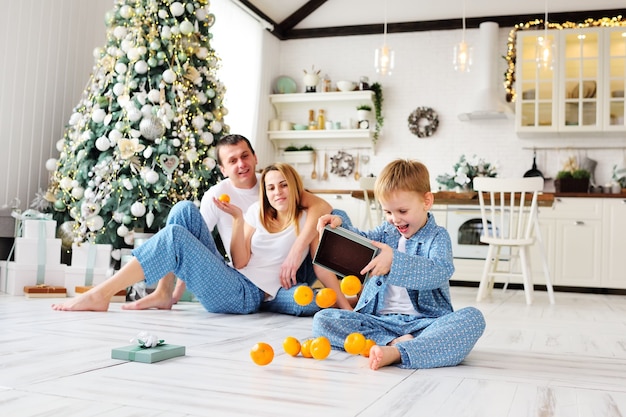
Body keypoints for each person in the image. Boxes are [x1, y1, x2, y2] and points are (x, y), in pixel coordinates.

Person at [52, 162, 353, 313]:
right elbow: (240, 260)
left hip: (247, 297)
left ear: (296, 187)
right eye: (271, 188)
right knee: (183, 211)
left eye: (284, 186)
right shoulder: (255, 215)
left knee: (175, 238)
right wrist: (237, 219)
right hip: (233, 279)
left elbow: (326, 213)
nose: (277, 193)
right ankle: (162, 292)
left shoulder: (308, 216)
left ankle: (101, 294)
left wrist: (345, 305)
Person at [312, 159, 486, 370]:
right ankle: (393, 343)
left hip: (425, 323)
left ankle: (397, 352)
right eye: (387, 212)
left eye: (402, 211)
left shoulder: (438, 237)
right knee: (322, 320)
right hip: (378, 321)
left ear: (426, 201)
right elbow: (361, 240)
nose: (395, 219)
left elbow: (439, 271)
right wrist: (339, 225)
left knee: (473, 319)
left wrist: (394, 262)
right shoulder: (386, 232)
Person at [168, 134, 342, 303]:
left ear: (255, 157)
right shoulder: (216, 195)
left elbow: (321, 206)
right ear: (223, 170)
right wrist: (176, 292)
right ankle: (164, 290)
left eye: (245, 156)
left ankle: (358, 285)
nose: (242, 164)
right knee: (184, 211)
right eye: (233, 161)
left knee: (336, 217)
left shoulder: (272, 181)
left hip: (293, 266)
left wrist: (296, 251)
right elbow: (194, 241)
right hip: (244, 273)